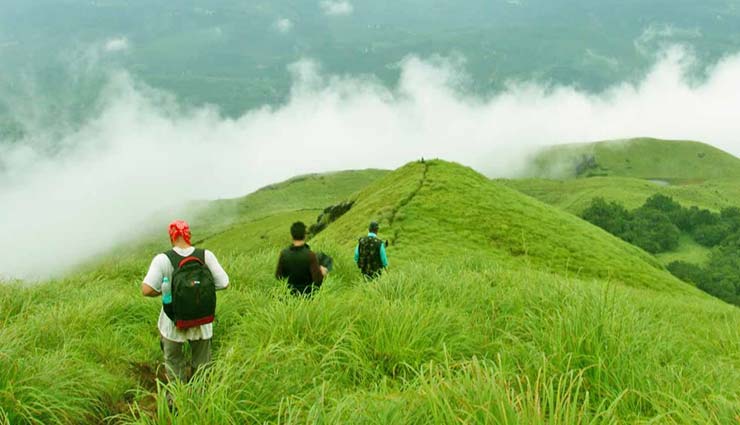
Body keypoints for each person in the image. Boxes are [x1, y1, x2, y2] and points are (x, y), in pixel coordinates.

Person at [141, 220, 229, 383]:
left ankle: (175, 402)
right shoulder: (205, 255)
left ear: (171, 237)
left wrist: (167, 291)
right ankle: (200, 400)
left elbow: (146, 289)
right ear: (189, 235)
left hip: (173, 323)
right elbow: (224, 283)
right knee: (202, 367)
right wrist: (200, 289)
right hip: (202, 322)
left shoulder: (162, 259)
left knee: (174, 364)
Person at [275, 221, 328, 296]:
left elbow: (278, 276)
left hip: (289, 294)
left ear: (292, 235)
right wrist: (322, 273)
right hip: (308, 296)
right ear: (304, 235)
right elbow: (317, 280)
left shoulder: (284, 254)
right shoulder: (310, 255)